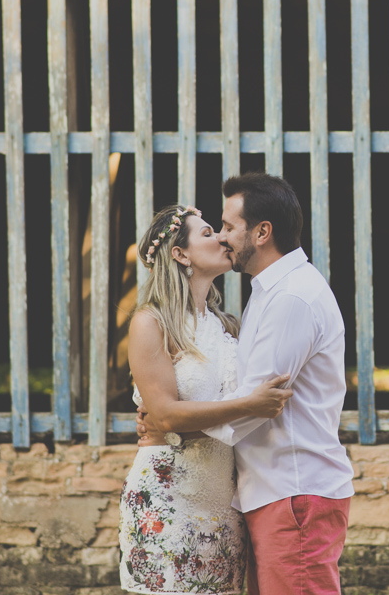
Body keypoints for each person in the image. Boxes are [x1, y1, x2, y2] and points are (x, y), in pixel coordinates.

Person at [140, 173, 355, 595]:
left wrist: (170, 424)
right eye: (216, 228)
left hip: (293, 490)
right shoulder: (266, 294)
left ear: (262, 232)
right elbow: (246, 400)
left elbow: (256, 405)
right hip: (263, 493)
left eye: (228, 227)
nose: (223, 237)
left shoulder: (290, 298)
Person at [120, 204, 294, 595]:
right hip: (168, 498)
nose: (221, 238)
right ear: (180, 255)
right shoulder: (151, 322)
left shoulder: (229, 326)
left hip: (224, 505)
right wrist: (248, 407)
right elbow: (164, 415)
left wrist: (185, 417)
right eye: (208, 232)